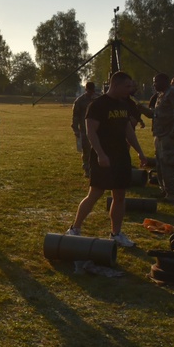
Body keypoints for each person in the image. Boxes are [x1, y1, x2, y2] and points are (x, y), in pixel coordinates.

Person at [65, 70, 149, 247]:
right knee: (95, 194)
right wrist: (101, 155)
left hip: (121, 156)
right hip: (103, 156)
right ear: (115, 85)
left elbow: (128, 131)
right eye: (127, 86)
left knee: (120, 195)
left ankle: (116, 234)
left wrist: (140, 152)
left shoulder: (124, 104)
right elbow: (91, 132)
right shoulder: (98, 105)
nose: (130, 89)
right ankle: (75, 228)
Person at [148, 73, 174, 200]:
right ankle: (163, 190)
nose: (154, 85)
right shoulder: (161, 95)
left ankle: (170, 193)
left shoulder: (173, 94)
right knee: (160, 165)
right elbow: (157, 114)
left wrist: (173, 134)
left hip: (169, 136)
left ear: (165, 82)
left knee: (168, 165)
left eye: (156, 82)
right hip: (160, 135)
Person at [71, 82, 98, 177]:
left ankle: (96, 168)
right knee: (86, 150)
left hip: (98, 129)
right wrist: (76, 129)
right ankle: (87, 168)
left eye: (92, 91)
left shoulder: (98, 99)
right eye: (89, 91)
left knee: (97, 149)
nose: (91, 93)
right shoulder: (80, 101)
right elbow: (75, 116)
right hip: (84, 129)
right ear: (86, 90)